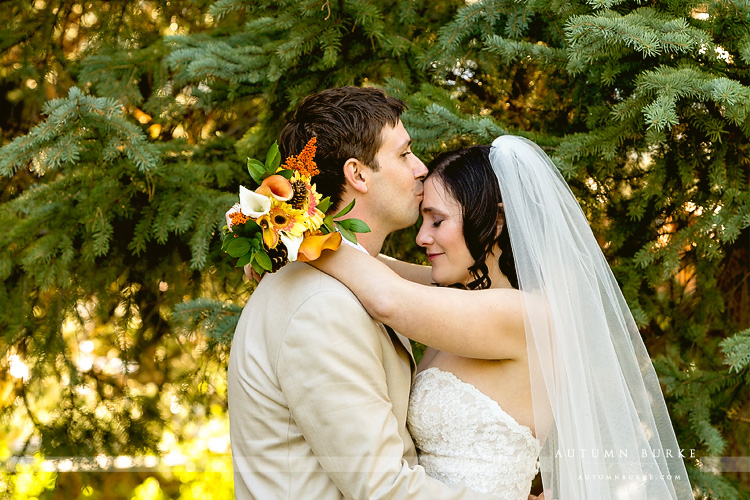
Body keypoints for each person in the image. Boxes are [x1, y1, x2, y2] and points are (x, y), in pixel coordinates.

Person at [310, 137, 695, 499]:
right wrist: (292, 239)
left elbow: (388, 298)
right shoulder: (466, 296)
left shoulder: (524, 313)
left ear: (495, 222)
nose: (421, 238)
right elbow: (377, 266)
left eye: (437, 221)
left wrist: (295, 235)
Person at [227, 87, 518, 499]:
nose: (421, 169)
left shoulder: (340, 278)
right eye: (404, 154)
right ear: (357, 174)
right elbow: (383, 488)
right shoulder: (322, 306)